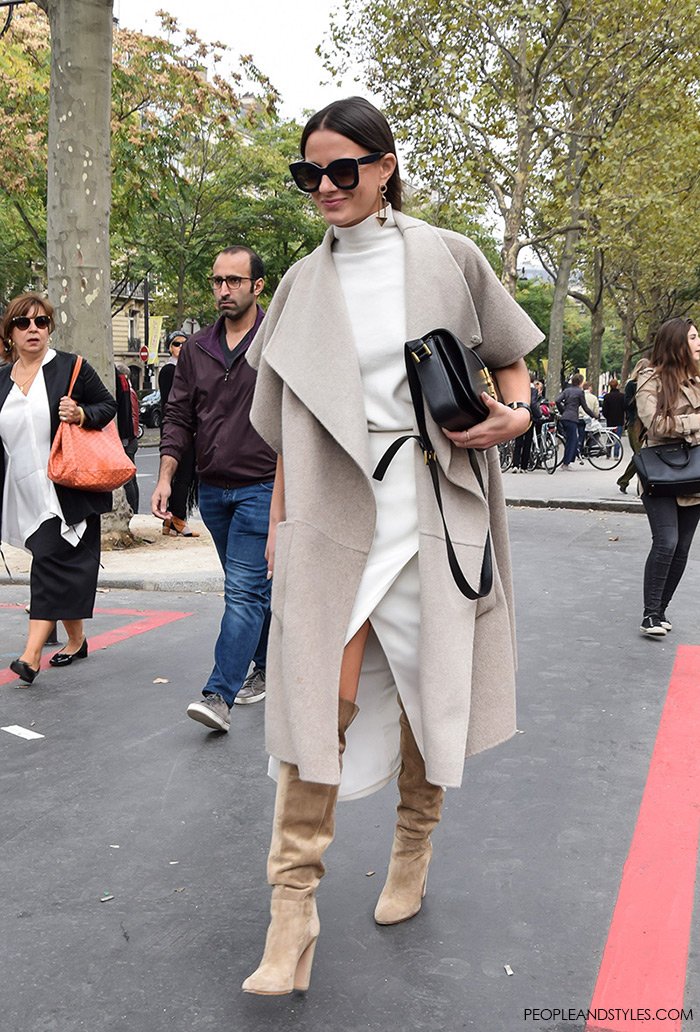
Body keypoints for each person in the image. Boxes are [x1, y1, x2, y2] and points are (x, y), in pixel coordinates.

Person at [241, 96, 544, 995]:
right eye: (309, 174)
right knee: (313, 706)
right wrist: (282, 537)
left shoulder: (447, 255)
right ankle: (290, 919)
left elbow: (511, 357)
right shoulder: (298, 284)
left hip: (434, 506)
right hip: (335, 516)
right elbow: (288, 422)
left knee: (426, 692)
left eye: (342, 170)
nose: (325, 188)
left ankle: (413, 848)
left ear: (383, 166)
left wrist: (514, 416)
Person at [151, 247, 275, 723]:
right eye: (217, 281)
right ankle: (265, 665)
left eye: (234, 281)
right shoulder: (198, 348)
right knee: (249, 589)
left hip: (262, 486)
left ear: (256, 286)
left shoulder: (275, 339)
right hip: (213, 490)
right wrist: (166, 479)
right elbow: (179, 416)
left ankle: (217, 695)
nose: (223, 290)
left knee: (243, 592)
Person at [0, 293, 117, 683]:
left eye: (41, 322)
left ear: (49, 328)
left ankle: (31, 656)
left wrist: (82, 414)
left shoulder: (71, 367)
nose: (33, 329)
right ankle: (77, 639)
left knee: (49, 564)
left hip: (65, 487)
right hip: (23, 492)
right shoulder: (2, 379)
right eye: (23, 323)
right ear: (10, 333)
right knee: (60, 565)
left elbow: (107, 406)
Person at [635, 318, 700, 637]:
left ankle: (661, 611)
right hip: (662, 471)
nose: (698, 341)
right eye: (692, 337)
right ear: (676, 342)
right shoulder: (651, 376)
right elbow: (655, 424)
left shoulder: (698, 379)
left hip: (696, 472)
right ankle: (649, 614)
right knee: (667, 541)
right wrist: (694, 423)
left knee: (683, 547)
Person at [158, 330, 198, 537]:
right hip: (178, 429)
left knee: (185, 475)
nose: (181, 347)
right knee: (182, 474)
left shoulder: (189, 370)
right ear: (169, 348)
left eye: (184, 343)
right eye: (176, 344)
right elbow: (170, 404)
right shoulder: (169, 371)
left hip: (187, 428)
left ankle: (172, 521)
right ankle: (177, 518)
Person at [617, 359, 650, 494]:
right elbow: (626, 405)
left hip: (646, 423)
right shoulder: (631, 385)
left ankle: (624, 480)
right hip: (634, 423)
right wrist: (640, 396)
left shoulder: (650, 384)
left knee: (642, 455)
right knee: (640, 455)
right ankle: (639, 485)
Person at [556, 374, 596, 469]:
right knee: (573, 440)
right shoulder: (580, 392)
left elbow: (557, 400)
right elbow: (585, 407)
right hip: (572, 418)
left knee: (570, 439)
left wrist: (563, 411)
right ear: (581, 382)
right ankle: (566, 463)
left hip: (564, 418)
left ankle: (567, 460)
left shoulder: (567, 390)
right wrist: (594, 415)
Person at [115, 363, 139, 514]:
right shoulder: (130, 391)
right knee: (131, 479)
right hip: (131, 438)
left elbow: (131, 416)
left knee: (128, 480)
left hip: (128, 439)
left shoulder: (127, 392)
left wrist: (126, 438)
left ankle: (133, 509)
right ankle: (134, 508)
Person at [511, 379, 542, 472]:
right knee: (527, 442)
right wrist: (539, 415)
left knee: (518, 441)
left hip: (518, 416)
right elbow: (533, 404)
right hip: (528, 417)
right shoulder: (533, 390)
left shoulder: (518, 389)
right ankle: (524, 466)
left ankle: (515, 464)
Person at [602, 378, 625, 457]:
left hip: (610, 420)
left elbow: (604, 410)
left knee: (610, 437)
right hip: (619, 420)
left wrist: (607, 416)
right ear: (617, 386)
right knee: (617, 438)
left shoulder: (607, 397)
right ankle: (616, 454)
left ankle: (608, 453)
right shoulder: (622, 396)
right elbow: (625, 408)